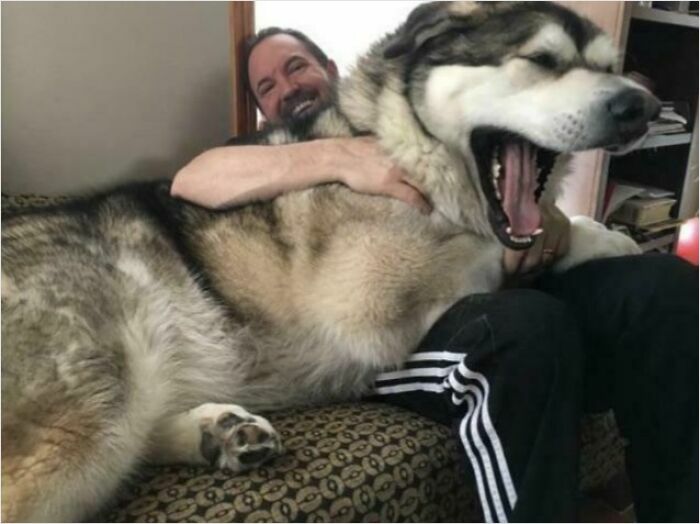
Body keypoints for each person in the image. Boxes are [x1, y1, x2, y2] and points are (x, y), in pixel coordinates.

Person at [170, 27, 698, 522]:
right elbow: (193, 179)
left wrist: (544, 216)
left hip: (498, 273)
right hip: (390, 323)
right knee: (523, 327)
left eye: (296, 67)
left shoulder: (407, 117)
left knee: (663, 287)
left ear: (328, 67)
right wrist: (342, 157)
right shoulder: (268, 152)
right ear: (261, 109)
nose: (287, 87)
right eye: (268, 85)